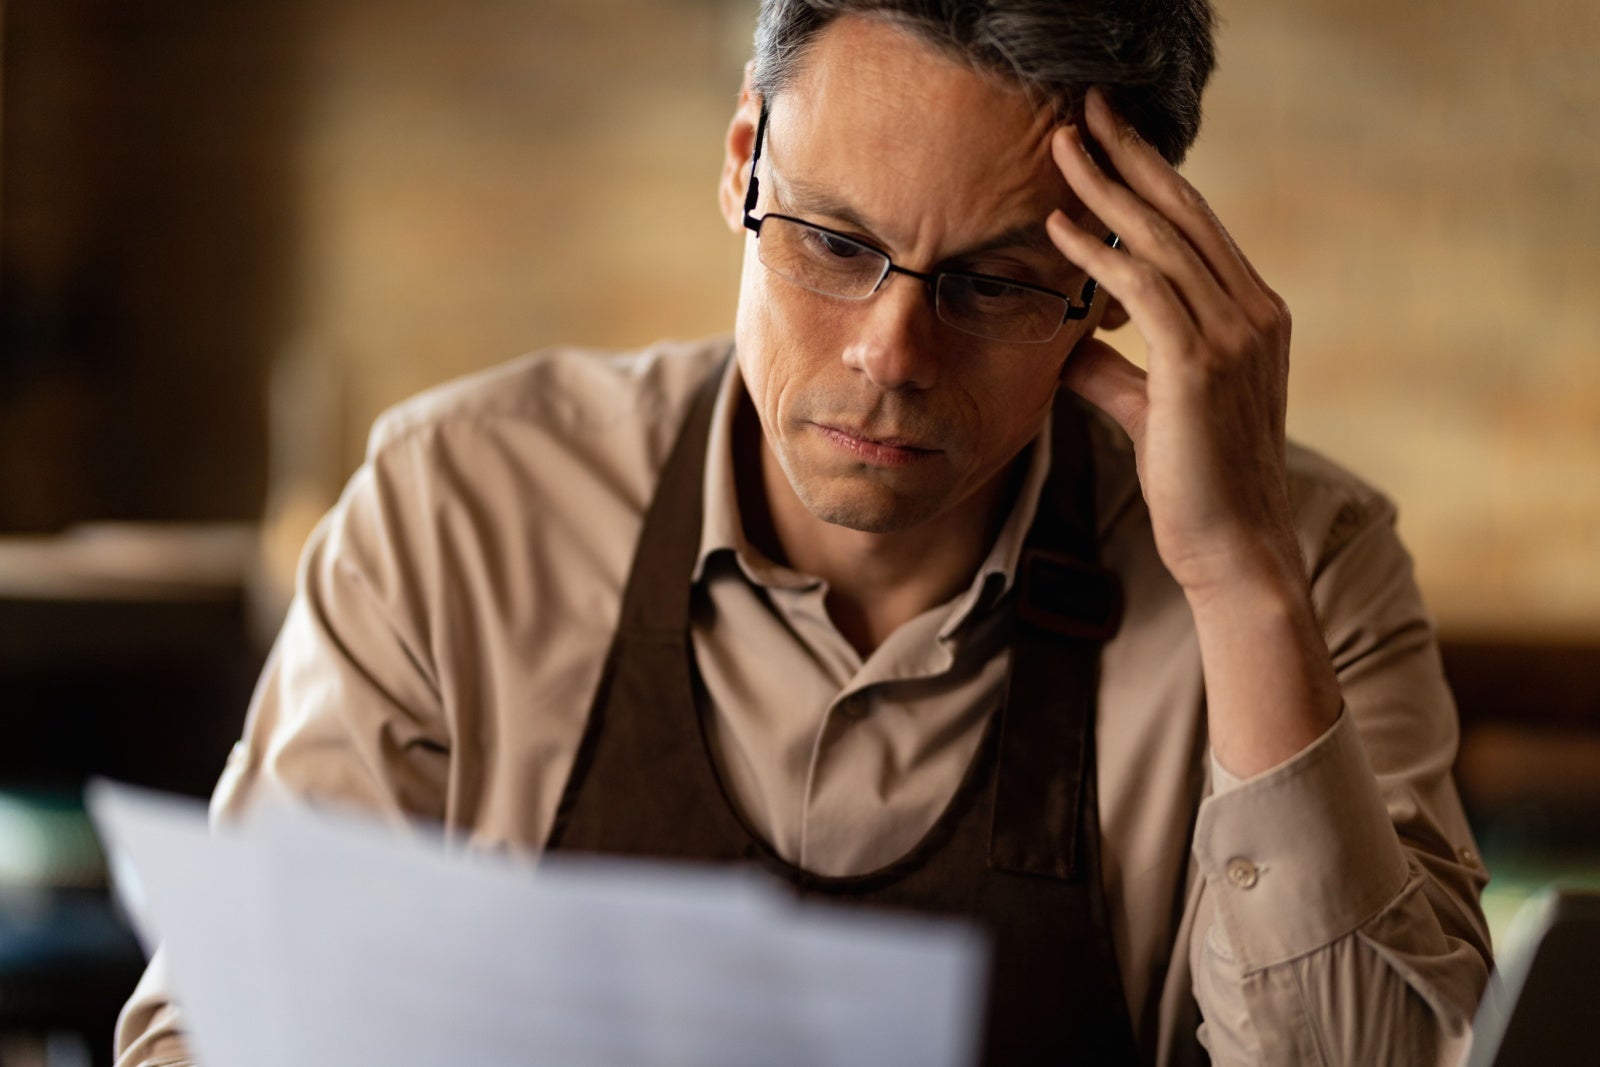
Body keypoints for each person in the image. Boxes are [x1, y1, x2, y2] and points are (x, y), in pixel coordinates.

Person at [115, 1, 1492, 1064]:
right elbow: (211, 1034)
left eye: (995, 283)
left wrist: (1239, 580)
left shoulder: (1305, 567)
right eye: (833, 243)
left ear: (1119, 285)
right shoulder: (456, 508)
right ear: (741, 163)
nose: (893, 354)